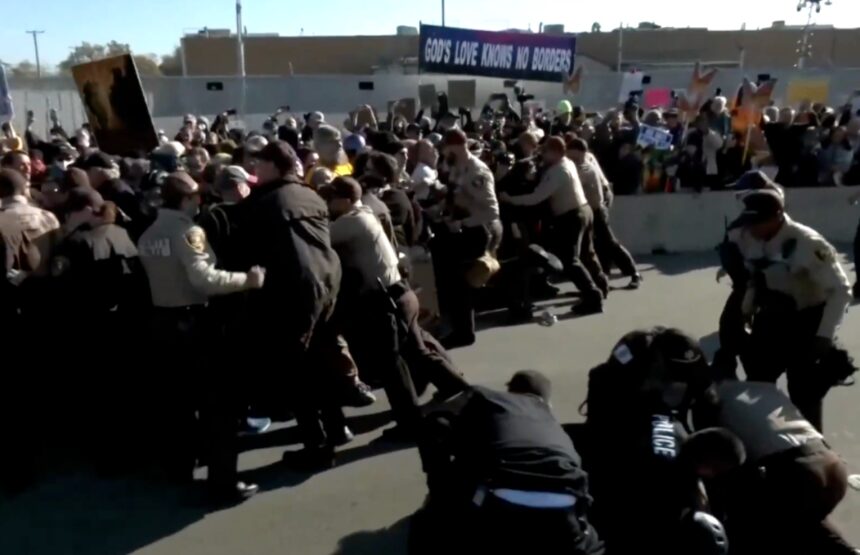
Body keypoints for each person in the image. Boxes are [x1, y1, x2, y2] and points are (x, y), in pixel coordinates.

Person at [137, 171, 265, 501]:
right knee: (218, 404)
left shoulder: (149, 234)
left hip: (161, 322)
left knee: (176, 403)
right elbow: (203, 279)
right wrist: (247, 280)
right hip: (193, 322)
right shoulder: (188, 232)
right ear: (186, 199)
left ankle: (179, 468)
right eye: (196, 196)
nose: (200, 202)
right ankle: (223, 482)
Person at [326, 177, 467, 439]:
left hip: (386, 300)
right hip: (399, 292)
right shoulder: (366, 212)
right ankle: (456, 387)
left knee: (392, 363)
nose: (328, 204)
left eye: (331, 199)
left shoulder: (351, 222)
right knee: (416, 349)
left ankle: (409, 422)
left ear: (344, 201)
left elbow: (321, 237)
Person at [241, 140, 351, 468]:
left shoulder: (264, 202)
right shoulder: (310, 194)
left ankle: (316, 445)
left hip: (292, 292)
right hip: (327, 283)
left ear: (274, 167)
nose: (255, 170)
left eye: (260, 164)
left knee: (297, 371)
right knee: (321, 358)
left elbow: (251, 251)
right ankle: (337, 426)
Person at [414, 370, 605, 555]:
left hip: (503, 503)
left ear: (511, 390)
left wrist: (440, 487)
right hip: (564, 507)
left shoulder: (487, 397)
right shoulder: (553, 426)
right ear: (547, 402)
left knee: (432, 527)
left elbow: (436, 421)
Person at [687, 380, 858, 555]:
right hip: (831, 465)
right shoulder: (763, 388)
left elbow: (714, 461)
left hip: (796, 471)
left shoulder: (710, 401)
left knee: (748, 524)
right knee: (805, 521)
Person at [733, 189, 852, 431]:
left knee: (804, 393)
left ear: (777, 216)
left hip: (807, 322)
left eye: (758, 221)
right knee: (758, 386)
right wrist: (746, 309)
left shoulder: (808, 243)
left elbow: (840, 290)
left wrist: (824, 336)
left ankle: (814, 446)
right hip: (772, 318)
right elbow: (756, 276)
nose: (751, 228)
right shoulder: (749, 236)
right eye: (749, 221)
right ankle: (763, 439)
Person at [500, 136, 607, 315]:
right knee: (586, 254)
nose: (542, 155)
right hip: (583, 210)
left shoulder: (559, 171)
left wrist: (510, 199)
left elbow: (536, 197)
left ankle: (593, 296)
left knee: (570, 260)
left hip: (572, 215)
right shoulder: (566, 163)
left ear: (556, 152)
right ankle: (600, 286)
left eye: (545, 152)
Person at [433, 129, 503, 347]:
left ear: (455, 147)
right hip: (461, 227)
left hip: (476, 231)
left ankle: (464, 333)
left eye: (446, 149)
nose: (443, 154)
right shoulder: (457, 167)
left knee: (462, 283)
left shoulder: (476, 172)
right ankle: (460, 327)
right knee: (454, 281)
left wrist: (463, 223)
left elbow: (491, 211)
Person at [566, 137, 641, 289]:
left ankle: (634, 273)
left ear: (578, 151)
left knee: (610, 243)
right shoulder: (582, 162)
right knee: (597, 246)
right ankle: (603, 278)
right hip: (591, 210)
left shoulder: (585, 167)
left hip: (596, 210)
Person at [81, 151, 147, 240]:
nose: (86, 175)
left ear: (96, 170)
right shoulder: (113, 186)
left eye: (87, 171)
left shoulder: (115, 190)